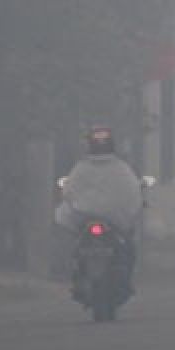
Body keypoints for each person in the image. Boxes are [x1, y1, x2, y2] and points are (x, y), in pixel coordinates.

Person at [55, 126, 143, 294]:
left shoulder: (82, 168)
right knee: (128, 246)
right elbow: (133, 193)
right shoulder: (121, 168)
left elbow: (68, 192)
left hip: (88, 218)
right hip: (110, 219)